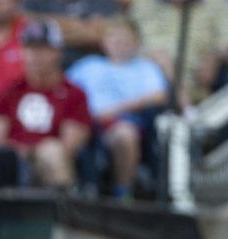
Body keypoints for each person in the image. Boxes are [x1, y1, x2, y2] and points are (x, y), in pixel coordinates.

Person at [65, 16, 167, 200]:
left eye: (126, 40)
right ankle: (70, 193)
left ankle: (123, 193)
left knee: (125, 135)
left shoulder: (145, 67)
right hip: (86, 122)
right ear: (104, 42)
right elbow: (63, 88)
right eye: (114, 38)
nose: (120, 44)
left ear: (136, 43)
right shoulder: (89, 65)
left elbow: (159, 96)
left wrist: (114, 111)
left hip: (126, 122)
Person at [0, 20, 91, 189]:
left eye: (42, 49)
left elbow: (69, 146)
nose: (35, 55)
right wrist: (19, 153)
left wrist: (30, 151)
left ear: (58, 52)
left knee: (52, 152)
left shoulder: (74, 93)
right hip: (13, 165)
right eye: (30, 49)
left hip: (50, 164)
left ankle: (63, 210)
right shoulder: (10, 90)